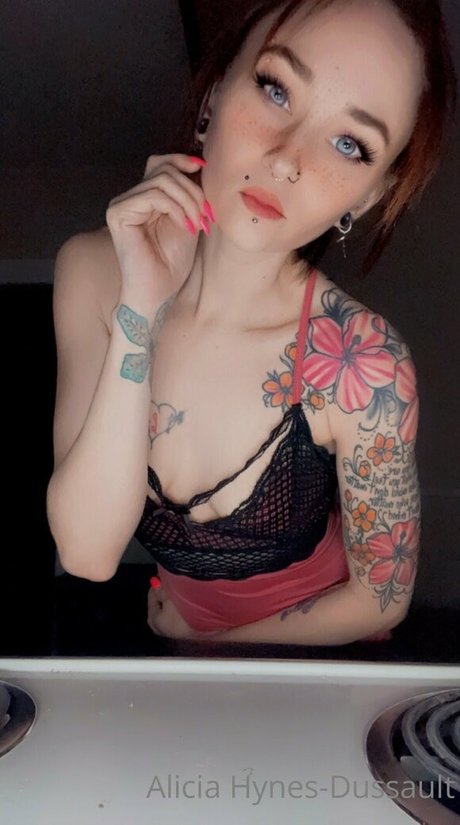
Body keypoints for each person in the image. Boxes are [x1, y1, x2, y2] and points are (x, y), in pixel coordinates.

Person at [46, 0, 457, 647]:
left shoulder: (364, 362)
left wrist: (208, 648)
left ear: (369, 194)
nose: (288, 158)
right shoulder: (93, 274)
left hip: (318, 653)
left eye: (350, 144)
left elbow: (380, 600)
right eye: (276, 89)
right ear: (215, 92)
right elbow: (87, 552)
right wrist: (140, 307)